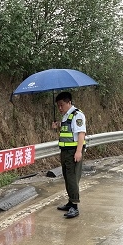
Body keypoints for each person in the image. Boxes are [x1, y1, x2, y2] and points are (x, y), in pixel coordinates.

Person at [52, 91, 86, 219]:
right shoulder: (66, 115)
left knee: (72, 178)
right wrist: (58, 126)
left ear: (69, 102)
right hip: (65, 151)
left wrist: (78, 151)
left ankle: (75, 206)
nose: (60, 108)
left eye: (62, 105)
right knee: (67, 177)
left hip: (73, 151)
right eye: (58, 106)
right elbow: (68, 129)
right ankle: (70, 202)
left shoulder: (77, 115)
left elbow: (81, 133)